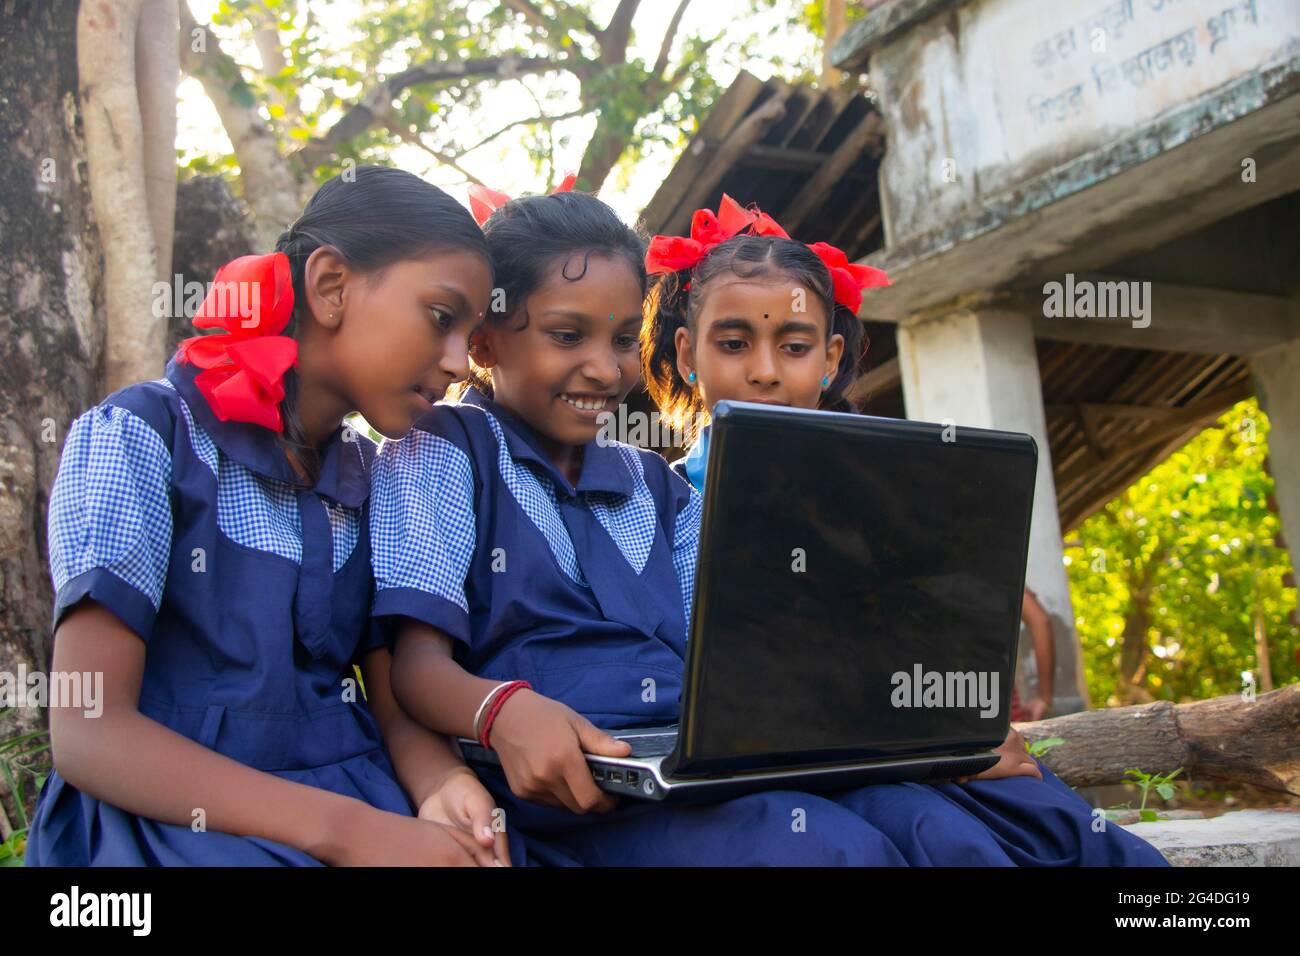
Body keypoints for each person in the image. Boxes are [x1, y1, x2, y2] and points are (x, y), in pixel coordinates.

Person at [636, 196, 1169, 866]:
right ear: (688, 354)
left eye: (794, 346)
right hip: (761, 788)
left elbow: (931, 648)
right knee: (948, 846)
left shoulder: (887, 502)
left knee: (1083, 841)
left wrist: (968, 726)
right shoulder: (656, 507)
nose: (765, 370)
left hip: (912, 761)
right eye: (734, 343)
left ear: (829, 358)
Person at [26, 165, 507, 866]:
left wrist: (443, 785)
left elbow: (385, 699)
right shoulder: (144, 437)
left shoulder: (368, 478)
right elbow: (90, 731)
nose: (461, 362)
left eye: (469, 334)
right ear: (331, 286)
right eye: (441, 317)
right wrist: (354, 834)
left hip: (359, 798)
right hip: (170, 830)